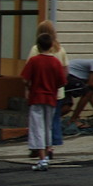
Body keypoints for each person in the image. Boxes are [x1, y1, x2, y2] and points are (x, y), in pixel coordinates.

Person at [21, 34, 68, 171]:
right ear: (51, 46)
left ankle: (41, 159)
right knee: (48, 127)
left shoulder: (34, 61)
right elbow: (62, 81)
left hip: (36, 97)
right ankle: (47, 154)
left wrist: (30, 86)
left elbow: (24, 79)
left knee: (37, 127)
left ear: (38, 45)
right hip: (51, 98)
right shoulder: (55, 62)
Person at [27, 20, 68, 152]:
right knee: (52, 121)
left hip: (39, 92)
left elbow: (29, 70)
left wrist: (28, 89)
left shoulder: (35, 50)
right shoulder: (61, 49)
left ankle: (40, 149)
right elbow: (65, 71)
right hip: (56, 92)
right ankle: (51, 145)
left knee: (38, 122)